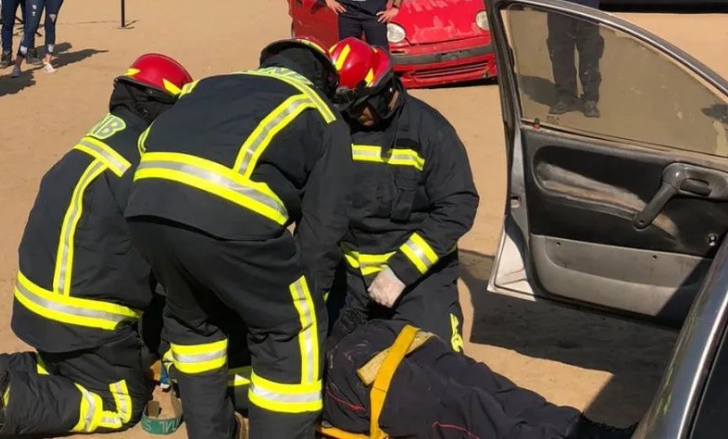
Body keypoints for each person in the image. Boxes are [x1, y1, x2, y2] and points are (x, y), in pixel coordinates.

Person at [0, 53, 194, 439]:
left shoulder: (97, 141)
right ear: (163, 107)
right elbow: (169, 258)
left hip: (36, 306)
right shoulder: (146, 160)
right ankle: (9, 401)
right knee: (119, 402)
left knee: (67, 369)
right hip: (85, 320)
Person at [125, 38, 354, 439]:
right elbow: (323, 229)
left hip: (146, 209)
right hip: (228, 218)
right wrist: (305, 300)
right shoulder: (321, 113)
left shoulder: (209, 85)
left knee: (194, 329)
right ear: (323, 80)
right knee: (290, 332)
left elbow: (148, 143)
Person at [326, 39, 477, 351]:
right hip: (351, 276)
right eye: (347, 108)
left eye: (359, 106)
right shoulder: (337, 126)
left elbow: (458, 206)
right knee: (330, 362)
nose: (354, 115)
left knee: (436, 366)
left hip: (419, 280)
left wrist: (400, 271)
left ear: (383, 90)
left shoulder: (429, 131)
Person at [321, 318, 636, 439]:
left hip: (358, 354)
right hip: (359, 352)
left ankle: (596, 436)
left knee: (485, 396)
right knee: (471, 406)